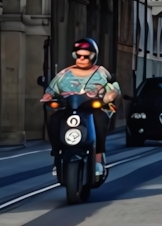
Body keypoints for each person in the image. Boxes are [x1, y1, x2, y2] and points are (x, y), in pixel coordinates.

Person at [41, 38, 119, 177]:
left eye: (86, 56)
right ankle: (57, 156)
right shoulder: (64, 73)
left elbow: (114, 87)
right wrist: (48, 95)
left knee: (99, 121)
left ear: (93, 56)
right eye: (79, 55)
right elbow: (52, 88)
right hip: (69, 108)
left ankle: (98, 160)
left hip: (93, 108)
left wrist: (109, 96)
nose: (82, 59)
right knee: (54, 120)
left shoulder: (101, 72)